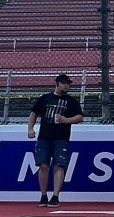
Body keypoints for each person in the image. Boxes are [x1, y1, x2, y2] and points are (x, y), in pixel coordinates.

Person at [26, 72, 84, 206]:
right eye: (64, 83)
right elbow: (34, 113)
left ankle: (56, 195)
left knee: (59, 165)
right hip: (44, 137)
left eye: (68, 84)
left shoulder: (70, 101)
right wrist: (30, 128)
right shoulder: (45, 98)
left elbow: (80, 117)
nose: (66, 86)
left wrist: (66, 120)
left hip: (61, 137)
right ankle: (43, 194)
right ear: (57, 83)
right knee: (43, 165)